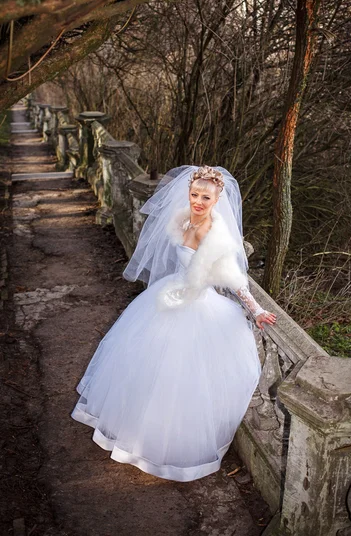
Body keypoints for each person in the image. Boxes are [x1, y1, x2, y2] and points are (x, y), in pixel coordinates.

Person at [71, 165, 277, 482]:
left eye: (205, 197)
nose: (198, 201)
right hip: (168, 298)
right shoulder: (182, 219)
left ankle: (176, 444)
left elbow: (236, 281)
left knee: (185, 378)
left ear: (217, 197)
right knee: (147, 368)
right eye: (194, 194)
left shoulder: (215, 236)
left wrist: (257, 310)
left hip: (200, 307)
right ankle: (139, 434)